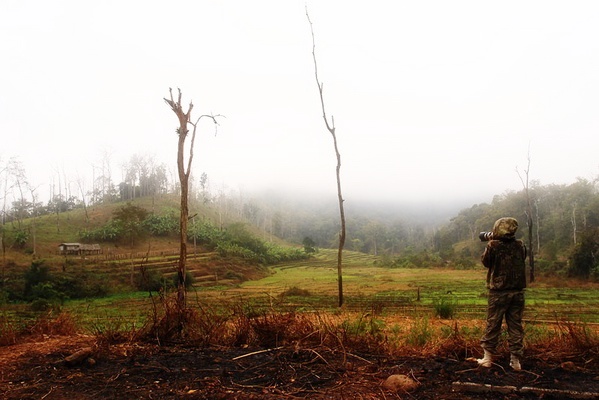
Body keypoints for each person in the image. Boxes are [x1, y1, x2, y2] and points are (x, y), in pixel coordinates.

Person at [477, 217, 527, 371]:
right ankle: (515, 361)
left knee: (493, 324)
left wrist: (490, 243)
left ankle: (487, 359)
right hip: (517, 292)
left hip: (499, 292)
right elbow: (522, 258)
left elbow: (486, 262)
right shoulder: (520, 245)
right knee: (515, 326)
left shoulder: (493, 245)